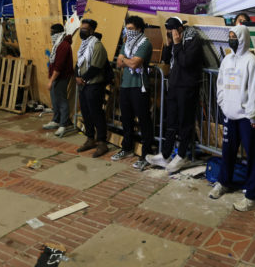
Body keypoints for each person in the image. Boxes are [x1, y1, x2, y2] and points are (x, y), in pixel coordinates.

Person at [209, 25, 255, 211]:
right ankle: (223, 182)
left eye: (235, 36)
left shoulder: (251, 61)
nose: (231, 39)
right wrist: (223, 104)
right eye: (230, 36)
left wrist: (252, 114)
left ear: (243, 38)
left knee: (254, 154)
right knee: (227, 151)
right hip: (229, 114)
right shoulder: (227, 59)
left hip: (247, 118)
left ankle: (252, 194)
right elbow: (221, 84)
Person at [146, 17, 202, 173]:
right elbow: (166, 59)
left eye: (171, 32)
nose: (170, 35)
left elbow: (185, 62)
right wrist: (169, 44)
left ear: (179, 30)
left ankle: (182, 155)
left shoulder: (193, 40)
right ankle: (165, 155)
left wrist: (177, 44)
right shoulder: (175, 41)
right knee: (171, 122)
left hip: (187, 87)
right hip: (174, 86)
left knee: (185, 123)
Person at [112, 16, 154, 169]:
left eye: (131, 29)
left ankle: (146, 153)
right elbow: (119, 62)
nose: (128, 32)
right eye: (127, 29)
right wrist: (128, 60)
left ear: (139, 29)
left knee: (144, 120)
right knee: (126, 118)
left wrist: (126, 60)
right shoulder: (127, 44)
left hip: (139, 86)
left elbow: (136, 64)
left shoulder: (145, 43)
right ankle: (127, 147)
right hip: (126, 86)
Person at [75, 19, 110, 158]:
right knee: (86, 112)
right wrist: (77, 76)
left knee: (96, 114)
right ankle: (90, 138)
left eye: (85, 29)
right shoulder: (84, 45)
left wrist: (82, 78)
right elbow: (78, 64)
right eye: (81, 28)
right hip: (84, 86)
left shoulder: (97, 46)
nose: (82, 31)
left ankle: (102, 142)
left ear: (92, 31)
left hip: (94, 85)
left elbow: (96, 67)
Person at [43, 23, 76, 137]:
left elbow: (59, 66)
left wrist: (51, 80)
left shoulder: (63, 45)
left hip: (61, 77)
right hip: (56, 76)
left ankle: (63, 124)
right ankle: (56, 120)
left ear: (57, 33)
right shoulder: (58, 43)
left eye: (52, 32)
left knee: (61, 100)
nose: (51, 34)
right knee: (55, 99)